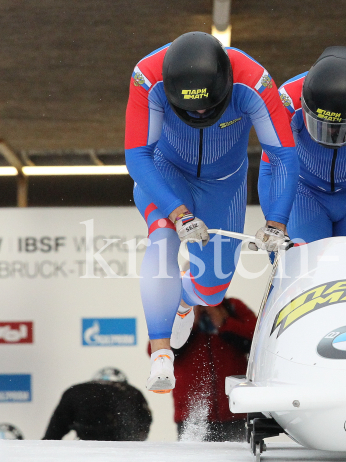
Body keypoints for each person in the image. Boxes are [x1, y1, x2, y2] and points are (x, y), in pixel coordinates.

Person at [125, 32, 297, 394]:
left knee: (213, 288)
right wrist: (177, 212)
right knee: (163, 235)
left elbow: (283, 154)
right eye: (191, 109)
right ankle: (161, 355)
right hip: (166, 173)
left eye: (208, 106)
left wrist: (277, 220)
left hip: (226, 183)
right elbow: (138, 155)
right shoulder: (147, 76)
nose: (201, 113)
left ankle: (186, 298)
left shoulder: (254, 81)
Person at [259, 47, 346, 244]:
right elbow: (270, 167)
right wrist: (275, 224)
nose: (330, 133)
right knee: (299, 266)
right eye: (320, 125)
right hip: (304, 192)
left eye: (340, 128)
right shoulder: (286, 100)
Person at [167, 298, 257, 442]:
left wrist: (225, 323)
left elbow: (257, 339)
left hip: (235, 412)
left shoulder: (234, 307)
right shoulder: (176, 312)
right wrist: (188, 322)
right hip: (193, 416)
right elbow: (156, 350)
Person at [43, 368, 152, 441]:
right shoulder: (132, 392)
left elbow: (54, 432)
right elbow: (142, 426)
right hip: (119, 447)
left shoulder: (76, 391)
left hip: (88, 443)